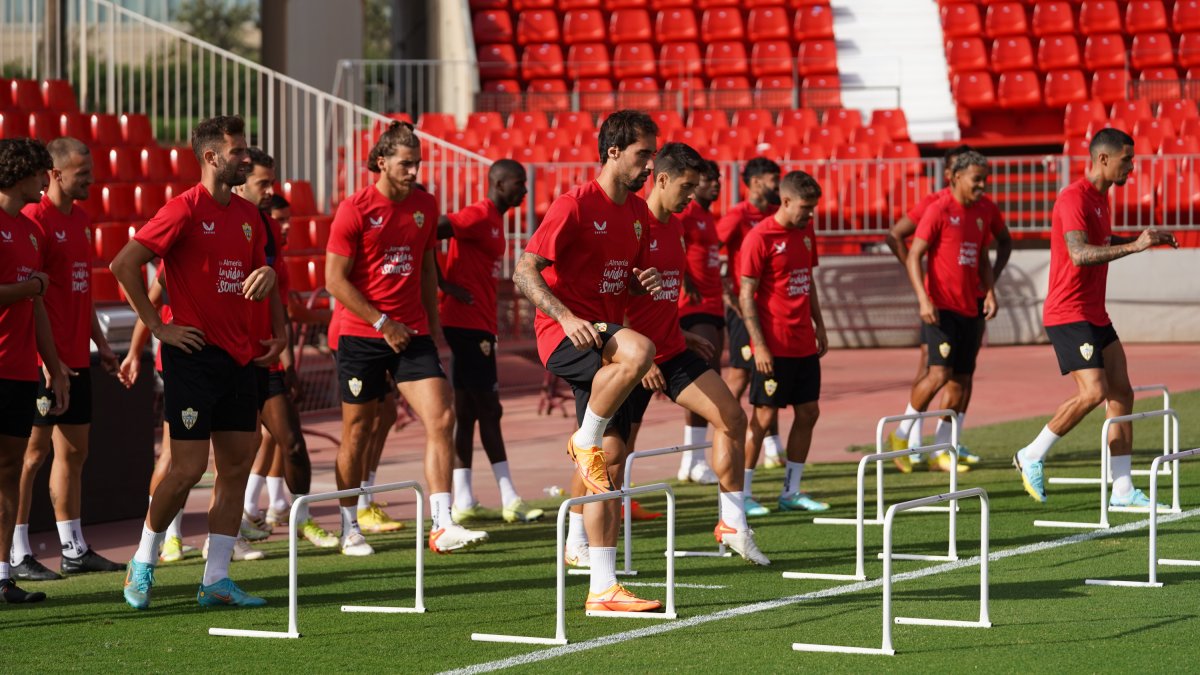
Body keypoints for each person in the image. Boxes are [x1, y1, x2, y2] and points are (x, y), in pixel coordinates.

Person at [111, 115, 284, 610]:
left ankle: (216, 579)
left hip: (240, 358)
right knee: (186, 469)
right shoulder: (183, 208)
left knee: (235, 468)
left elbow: (258, 273)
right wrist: (159, 328)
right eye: (237, 152)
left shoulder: (251, 217)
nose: (245, 158)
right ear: (211, 157)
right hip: (192, 356)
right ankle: (142, 561)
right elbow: (124, 263)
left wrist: (268, 282)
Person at [512, 109, 664, 612]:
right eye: (644, 154)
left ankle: (602, 588)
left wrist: (641, 280)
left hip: (604, 345)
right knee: (641, 351)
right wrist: (566, 315)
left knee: (610, 465)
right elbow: (524, 271)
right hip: (567, 336)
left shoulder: (638, 213)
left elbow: (623, 273)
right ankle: (583, 440)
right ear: (614, 151)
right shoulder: (573, 204)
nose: (649, 166)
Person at [325, 121, 487, 555]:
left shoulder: (425, 206)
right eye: (405, 163)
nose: (414, 170)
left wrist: (433, 327)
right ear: (381, 162)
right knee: (357, 432)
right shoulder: (354, 209)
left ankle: (442, 523)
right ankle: (348, 526)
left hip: (411, 332)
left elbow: (427, 267)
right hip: (362, 334)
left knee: (442, 418)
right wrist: (382, 323)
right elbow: (334, 282)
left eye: (417, 162)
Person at [1013, 128, 1178, 504]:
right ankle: (1031, 454)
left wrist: (1140, 239)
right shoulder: (1074, 198)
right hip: (1068, 313)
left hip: (1093, 313)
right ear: (1103, 159)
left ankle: (1122, 490)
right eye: (1127, 160)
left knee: (1122, 393)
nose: (1131, 168)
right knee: (1094, 392)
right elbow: (1079, 253)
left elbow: (1100, 242)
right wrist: (1135, 247)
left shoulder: (1103, 199)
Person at [625, 142, 768, 565]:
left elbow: (663, 297)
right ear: (662, 179)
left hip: (671, 350)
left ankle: (732, 523)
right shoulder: (632, 223)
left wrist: (680, 336)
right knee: (609, 452)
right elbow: (609, 297)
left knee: (732, 417)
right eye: (687, 187)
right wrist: (641, 356)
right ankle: (577, 538)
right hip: (627, 356)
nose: (694, 195)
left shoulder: (676, 226)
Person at [10, 137, 123, 581]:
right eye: (82, 174)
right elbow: (31, 296)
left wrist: (103, 344)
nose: (91, 181)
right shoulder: (34, 221)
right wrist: (45, 359)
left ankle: (73, 547)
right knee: (30, 456)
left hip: (78, 355)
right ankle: (16, 552)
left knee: (75, 453)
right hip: (44, 361)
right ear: (54, 174)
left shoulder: (82, 220)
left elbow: (81, 291)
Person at [885, 145, 1011, 471]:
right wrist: (923, 297)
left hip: (971, 306)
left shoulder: (984, 210)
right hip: (941, 307)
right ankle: (901, 435)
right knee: (937, 373)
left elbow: (983, 256)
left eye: (985, 180)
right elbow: (913, 254)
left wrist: (991, 291)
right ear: (954, 177)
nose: (982, 186)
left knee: (962, 381)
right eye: (976, 180)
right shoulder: (938, 208)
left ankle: (943, 448)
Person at [235, 147, 335, 549]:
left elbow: (279, 299)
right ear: (240, 181)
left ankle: (298, 514)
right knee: (229, 453)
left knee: (290, 441)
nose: (270, 190)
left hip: (266, 357)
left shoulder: (269, 232)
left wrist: (284, 352)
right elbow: (156, 286)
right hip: (227, 356)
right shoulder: (214, 221)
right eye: (264, 183)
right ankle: (170, 544)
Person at [435, 159, 543, 525]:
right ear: (498, 184)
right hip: (467, 324)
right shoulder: (479, 215)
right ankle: (510, 497)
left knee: (467, 413)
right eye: (518, 183)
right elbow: (432, 230)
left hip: (476, 323)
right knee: (490, 411)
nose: (524, 191)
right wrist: (443, 284)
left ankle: (464, 498)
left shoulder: (494, 220)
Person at [0, 137, 71, 603]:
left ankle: (3, 573)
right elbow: (30, 290)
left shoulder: (28, 230)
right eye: (42, 172)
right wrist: (30, 286)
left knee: (7, 471)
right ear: (23, 173)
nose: (48, 180)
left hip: (20, 369)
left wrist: (54, 364)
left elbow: (37, 303)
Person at [738, 170, 831, 514]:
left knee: (809, 411)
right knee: (763, 418)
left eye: (813, 208)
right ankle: (742, 495)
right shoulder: (759, 237)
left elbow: (809, 280)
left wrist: (819, 324)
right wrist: (759, 345)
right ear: (787, 201)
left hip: (803, 342)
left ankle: (790, 492)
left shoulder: (806, 232)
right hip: (773, 345)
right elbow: (746, 295)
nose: (810, 215)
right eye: (805, 208)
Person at [717, 157, 784, 478]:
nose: (778, 184)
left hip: (769, 312)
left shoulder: (774, 215)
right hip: (745, 311)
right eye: (774, 178)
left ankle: (772, 447)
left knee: (769, 375)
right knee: (742, 375)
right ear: (755, 182)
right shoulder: (737, 216)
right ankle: (723, 429)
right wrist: (728, 295)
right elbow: (706, 252)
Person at [675, 158, 723, 485]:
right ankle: (694, 459)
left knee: (709, 375)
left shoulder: (708, 216)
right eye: (708, 179)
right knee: (705, 379)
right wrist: (684, 280)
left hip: (714, 304)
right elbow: (671, 241)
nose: (715, 184)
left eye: (718, 178)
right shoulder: (688, 213)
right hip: (694, 306)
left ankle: (691, 460)